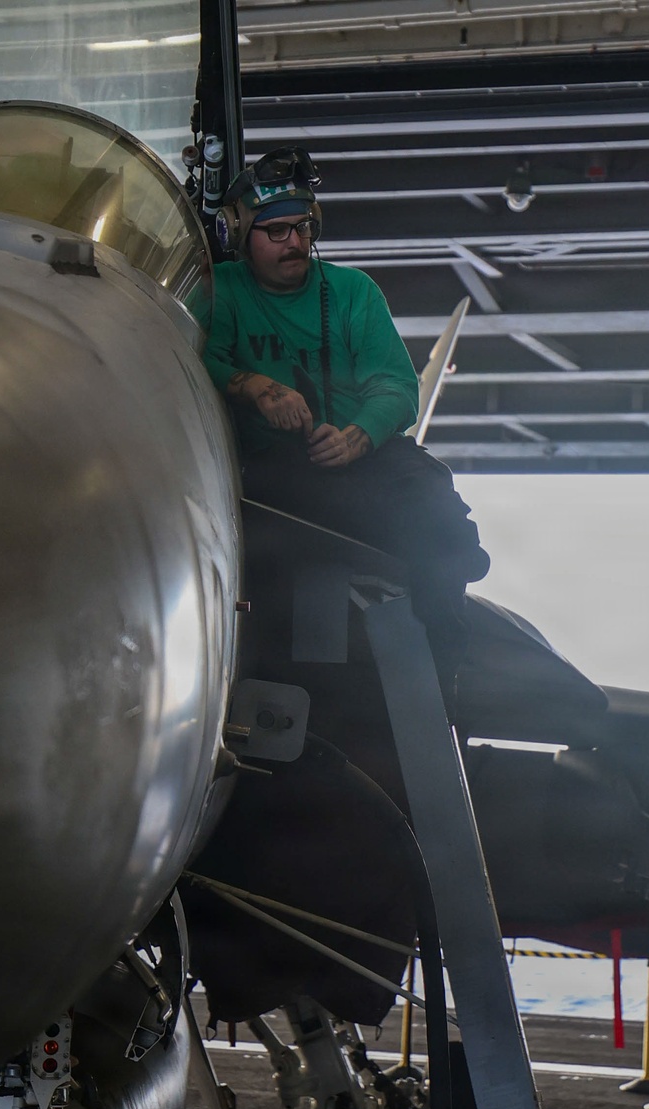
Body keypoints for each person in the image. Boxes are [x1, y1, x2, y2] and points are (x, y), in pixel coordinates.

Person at [201, 146, 489, 698]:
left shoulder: (354, 291)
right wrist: (255, 387)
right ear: (239, 235)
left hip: (358, 459)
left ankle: (443, 677)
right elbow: (194, 357)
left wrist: (358, 436)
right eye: (276, 232)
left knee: (437, 510)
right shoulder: (223, 291)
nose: (294, 244)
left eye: (303, 228)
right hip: (272, 470)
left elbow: (397, 387)